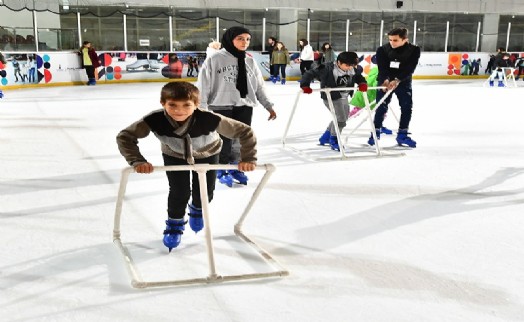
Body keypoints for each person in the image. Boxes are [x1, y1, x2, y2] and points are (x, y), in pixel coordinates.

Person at [116, 81, 257, 252]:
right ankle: (174, 224)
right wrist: (137, 160)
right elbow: (125, 136)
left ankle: (197, 208)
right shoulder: (154, 119)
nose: (179, 110)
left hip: (208, 153)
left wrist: (248, 158)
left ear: (196, 105)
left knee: (205, 192)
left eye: (186, 105)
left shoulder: (209, 118)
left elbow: (245, 131)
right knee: (178, 191)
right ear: (163, 103)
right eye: (172, 105)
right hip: (174, 154)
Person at [197, 26, 276, 187]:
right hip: (220, 105)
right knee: (223, 140)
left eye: (247, 39)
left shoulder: (249, 60)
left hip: (245, 105)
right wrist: (202, 109)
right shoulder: (215, 59)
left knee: (240, 140)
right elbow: (203, 85)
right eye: (240, 38)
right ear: (230, 39)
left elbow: (259, 86)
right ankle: (220, 168)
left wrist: (268, 105)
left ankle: (235, 167)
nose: (244, 42)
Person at [300, 51, 367, 151]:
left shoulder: (352, 69)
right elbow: (309, 73)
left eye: (352, 65)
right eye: (347, 65)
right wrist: (305, 85)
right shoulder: (327, 68)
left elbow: (358, 76)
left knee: (342, 117)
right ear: (339, 62)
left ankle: (326, 137)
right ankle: (334, 139)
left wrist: (362, 83)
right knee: (341, 120)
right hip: (331, 97)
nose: (349, 68)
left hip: (344, 96)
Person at [368, 27, 420, 148]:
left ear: (405, 40)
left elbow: (410, 68)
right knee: (381, 106)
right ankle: (375, 132)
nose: (392, 42)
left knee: (406, 107)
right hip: (385, 81)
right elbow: (382, 68)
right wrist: (385, 80)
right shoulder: (382, 50)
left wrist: (397, 80)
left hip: (403, 82)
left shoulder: (414, 50)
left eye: (395, 40)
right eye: (390, 39)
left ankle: (402, 134)